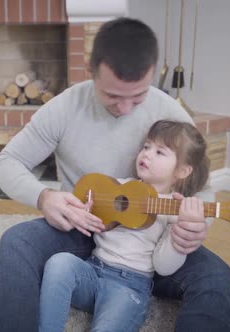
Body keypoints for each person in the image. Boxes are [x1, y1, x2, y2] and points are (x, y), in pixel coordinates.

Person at [0, 17, 230, 332]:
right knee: (16, 242)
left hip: (155, 243)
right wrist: (44, 197)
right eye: (113, 96)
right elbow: (6, 162)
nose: (127, 108)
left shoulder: (171, 115)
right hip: (86, 229)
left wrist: (195, 226)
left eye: (139, 96)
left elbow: (202, 187)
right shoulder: (64, 107)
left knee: (216, 276)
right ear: (90, 71)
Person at [38, 120, 210, 332]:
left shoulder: (175, 210)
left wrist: (179, 233)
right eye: (146, 147)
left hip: (129, 287)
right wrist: (85, 211)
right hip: (92, 270)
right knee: (59, 262)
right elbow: (90, 204)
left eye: (160, 152)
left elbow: (164, 267)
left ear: (182, 171)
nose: (147, 154)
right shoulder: (118, 185)